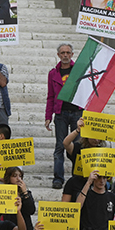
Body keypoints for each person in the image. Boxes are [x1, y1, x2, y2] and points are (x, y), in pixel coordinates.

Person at [46, 43, 81, 189]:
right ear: (58, 55)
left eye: (68, 52)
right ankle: (58, 178)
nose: (65, 55)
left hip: (78, 112)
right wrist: (48, 116)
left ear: (72, 54)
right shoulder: (53, 73)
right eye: (62, 53)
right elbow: (50, 96)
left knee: (77, 146)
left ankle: (77, 176)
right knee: (60, 146)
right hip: (60, 113)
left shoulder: (79, 70)